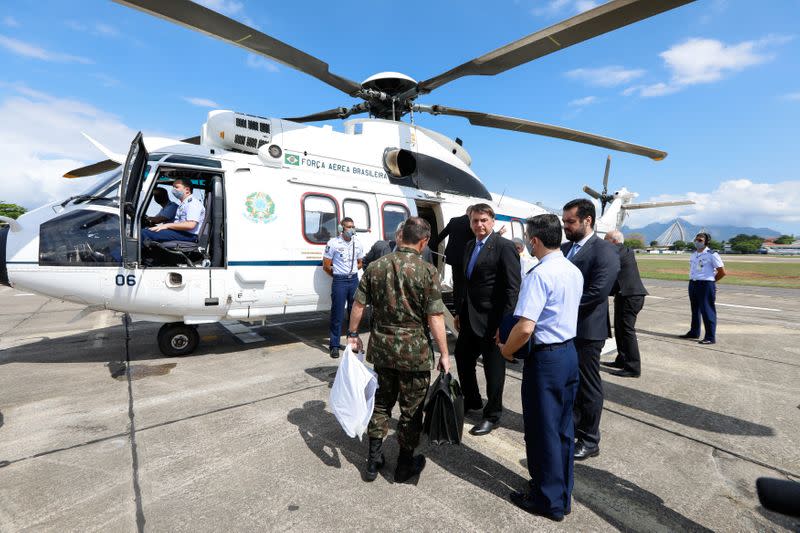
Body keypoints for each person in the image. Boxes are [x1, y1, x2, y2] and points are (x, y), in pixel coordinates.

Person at [346, 217, 450, 483]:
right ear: (424, 241)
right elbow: (435, 317)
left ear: (400, 236)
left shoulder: (375, 267)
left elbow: (358, 305)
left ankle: (372, 462)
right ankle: (404, 466)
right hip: (414, 355)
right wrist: (445, 354)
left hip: (382, 349)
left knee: (381, 404)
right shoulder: (428, 271)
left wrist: (353, 335)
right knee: (411, 410)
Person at [498, 214, 583, 522]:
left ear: (533, 241)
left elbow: (525, 327)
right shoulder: (572, 270)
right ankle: (561, 492)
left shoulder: (539, 274)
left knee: (541, 430)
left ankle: (548, 501)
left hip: (546, 359)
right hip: (569, 354)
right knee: (562, 429)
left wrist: (506, 352)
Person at [454, 203, 521, 436]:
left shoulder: (504, 247)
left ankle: (492, 415)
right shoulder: (469, 245)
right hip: (469, 319)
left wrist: (506, 325)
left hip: (493, 322)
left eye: (484, 220)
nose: (479, 225)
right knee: (462, 359)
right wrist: (459, 312)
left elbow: (513, 288)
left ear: (492, 221)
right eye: (475, 221)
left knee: (493, 371)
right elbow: (466, 283)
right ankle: (472, 400)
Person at [561, 198, 620, 460]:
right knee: (571, 382)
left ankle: (590, 438)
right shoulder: (564, 249)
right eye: (564, 221)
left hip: (587, 330)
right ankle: (573, 425)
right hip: (566, 329)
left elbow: (597, 293)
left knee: (588, 385)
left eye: (570, 222)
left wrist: (559, 309)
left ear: (588, 220)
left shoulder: (604, 251)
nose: (566, 226)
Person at [601, 230, 647, 377]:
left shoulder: (617, 251)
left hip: (630, 297)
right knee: (620, 330)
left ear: (614, 241)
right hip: (625, 295)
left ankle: (633, 368)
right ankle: (622, 359)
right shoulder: (624, 250)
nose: (603, 243)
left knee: (627, 331)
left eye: (605, 239)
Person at [323, 217, 364, 359]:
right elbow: (326, 265)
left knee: (355, 313)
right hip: (339, 281)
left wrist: (351, 271)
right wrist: (338, 275)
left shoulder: (357, 243)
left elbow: (360, 263)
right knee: (337, 314)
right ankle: (334, 345)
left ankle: (352, 343)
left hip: (353, 280)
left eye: (353, 226)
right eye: (348, 227)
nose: (351, 229)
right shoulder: (333, 243)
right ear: (341, 228)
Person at [680, 232, 726, 344]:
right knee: (695, 310)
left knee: (707, 310)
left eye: (700, 240)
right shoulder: (694, 254)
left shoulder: (712, 254)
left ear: (706, 242)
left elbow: (722, 272)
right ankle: (694, 332)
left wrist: (712, 282)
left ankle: (710, 337)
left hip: (706, 285)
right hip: (693, 284)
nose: (697, 242)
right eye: (696, 240)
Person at [141, 178, 205, 243]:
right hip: (181, 233)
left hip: (188, 235)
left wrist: (166, 225)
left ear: (187, 190)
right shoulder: (184, 204)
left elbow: (191, 225)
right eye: (173, 187)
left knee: (143, 233)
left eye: (176, 187)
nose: (173, 190)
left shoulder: (193, 203)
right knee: (148, 230)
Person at [436, 206, 474, 303]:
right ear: (472, 213)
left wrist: (429, 246)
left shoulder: (454, 221)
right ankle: (465, 306)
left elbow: (441, 235)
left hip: (454, 259)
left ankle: (457, 307)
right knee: (467, 284)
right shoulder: (472, 223)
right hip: (468, 259)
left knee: (457, 284)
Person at [363, 222, 433, 270]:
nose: (404, 240)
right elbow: (365, 263)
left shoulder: (425, 250)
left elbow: (429, 271)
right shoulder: (380, 247)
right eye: (401, 237)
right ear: (396, 235)